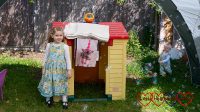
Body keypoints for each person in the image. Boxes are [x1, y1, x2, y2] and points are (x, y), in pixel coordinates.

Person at [38, 27, 72, 109]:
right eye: (57, 35)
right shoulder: (49, 45)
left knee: (62, 83)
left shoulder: (65, 47)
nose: (59, 37)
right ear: (52, 36)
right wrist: (43, 67)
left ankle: (64, 100)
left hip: (61, 69)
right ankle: (48, 99)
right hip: (50, 68)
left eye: (61, 35)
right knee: (49, 83)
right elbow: (45, 57)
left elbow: (68, 59)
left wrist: (69, 70)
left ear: (63, 36)